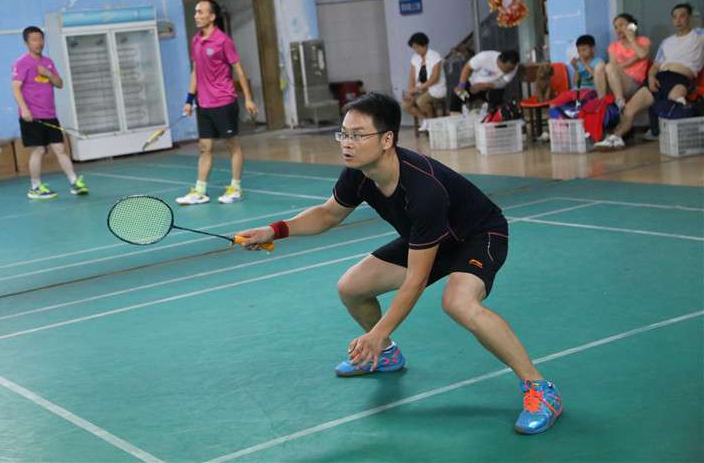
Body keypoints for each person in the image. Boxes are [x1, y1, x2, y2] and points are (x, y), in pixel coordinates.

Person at [236, 92, 562, 435]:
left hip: (477, 236)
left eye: (358, 135)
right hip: (429, 239)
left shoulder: (423, 190)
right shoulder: (359, 172)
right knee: (351, 288)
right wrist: (274, 230)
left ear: (387, 139)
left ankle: (541, 390)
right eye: (344, 133)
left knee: (459, 303)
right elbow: (328, 214)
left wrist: (377, 332)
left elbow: (416, 281)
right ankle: (387, 355)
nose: (347, 142)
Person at [176, 0, 258, 205]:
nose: (196, 15)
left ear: (212, 16)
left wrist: (248, 98)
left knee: (232, 145)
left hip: (224, 101)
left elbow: (238, 70)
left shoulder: (223, 41)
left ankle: (236, 188)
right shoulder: (196, 40)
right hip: (204, 104)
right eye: (196, 12)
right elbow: (196, 71)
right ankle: (200, 191)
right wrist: (189, 99)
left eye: (200, 12)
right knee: (205, 147)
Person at [596, 3, 704, 150]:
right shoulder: (666, 42)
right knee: (629, 109)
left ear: (690, 18)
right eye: (674, 17)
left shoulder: (699, 35)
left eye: (682, 16)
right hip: (659, 77)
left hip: (680, 78)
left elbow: (641, 54)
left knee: (676, 101)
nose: (678, 20)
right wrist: (652, 77)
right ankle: (616, 137)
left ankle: (676, 136)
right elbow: (655, 66)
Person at [11, 26, 88, 199]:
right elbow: (15, 88)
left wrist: (47, 73)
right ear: (26, 43)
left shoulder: (48, 62)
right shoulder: (22, 63)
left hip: (50, 115)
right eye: (34, 40)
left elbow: (59, 84)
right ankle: (35, 187)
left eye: (40, 39)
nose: (38, 43)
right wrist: (24, 109)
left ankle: (74, 183)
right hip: (32, 116)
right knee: (38, 150)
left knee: (60, 149)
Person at [604, 13, 650, 111]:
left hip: (634, 83)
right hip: (616, 81)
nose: (618, 29)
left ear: (631, 26)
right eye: (616, 27)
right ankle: (602, 104)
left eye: (621, 25)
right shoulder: (613, 46)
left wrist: (632, 39)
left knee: (609, 67)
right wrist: (633, 60)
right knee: (600, 67)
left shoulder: (643, 41)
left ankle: (620, 101)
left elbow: (642, 55)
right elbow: (613, 66)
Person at [401, 32, 447, 130]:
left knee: (421, 101)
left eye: (417, 47)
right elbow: (412, 77)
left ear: (424, 45)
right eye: (414, 48)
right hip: (421, 90)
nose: (415, 50)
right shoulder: (415, 58)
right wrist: (410, 91)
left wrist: (417, 89)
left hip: (435, 88)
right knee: (405, 105)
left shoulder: (435, 56)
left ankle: (432, 125)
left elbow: (434, 78)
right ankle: (427, 120)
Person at [452, 50, 519, 114]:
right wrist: (462, 86)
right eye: (507, 68)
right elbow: (467, 68)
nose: (510, 71)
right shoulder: (484, 57)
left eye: (512, 69)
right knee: (458, 94)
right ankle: (456, 115)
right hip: (472, 85)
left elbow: (503, 83)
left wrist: (484, 85)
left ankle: (494, 115)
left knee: (497, 96)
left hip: (490, 89)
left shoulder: (513, 66)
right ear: (500, 61)